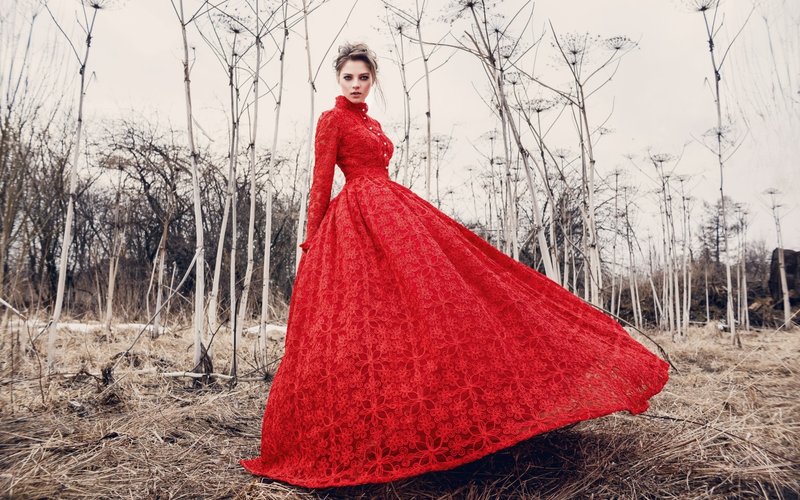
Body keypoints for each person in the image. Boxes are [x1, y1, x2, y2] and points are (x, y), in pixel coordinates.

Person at [240, 41, 670, 489]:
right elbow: (321, 180)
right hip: (357, 216)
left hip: (392, 207)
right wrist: (312, 239)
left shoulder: (373, 122)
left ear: (374, 80)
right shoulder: (332, 121)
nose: (355, 84)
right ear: (337, 80)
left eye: (363, 77)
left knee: (444, 294)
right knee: (364, 320)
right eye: (348, 77)